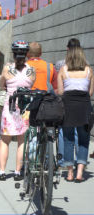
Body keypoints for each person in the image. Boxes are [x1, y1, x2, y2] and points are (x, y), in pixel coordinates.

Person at [0, 40, 36, 181]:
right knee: (22, 141)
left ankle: (2, 171)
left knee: (5, 141)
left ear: (13, 53)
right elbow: (30, 84)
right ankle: (18, 173)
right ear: (27, 53)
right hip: (25, 107)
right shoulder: (31, 70)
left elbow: (2, 85)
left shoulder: (7, 68)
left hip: (10, 106)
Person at [57, 47, 94, 182]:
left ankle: (70, 173)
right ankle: (79, 173)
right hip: (84, 107)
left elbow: (61, 92)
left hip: (68, 107)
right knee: (84, 140)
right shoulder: (89, 71)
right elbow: (90, 93)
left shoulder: (63, 70)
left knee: (68, 139)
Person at [55, 38, 81, 166]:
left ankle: (62, 160)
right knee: (77, 131)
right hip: (80, 102)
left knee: (62, 131)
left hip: (65, 101)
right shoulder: (85, 65)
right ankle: (77, 161)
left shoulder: (60, 64)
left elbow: (57, 84)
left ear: (67, 49)